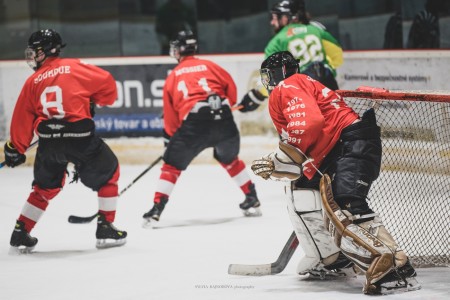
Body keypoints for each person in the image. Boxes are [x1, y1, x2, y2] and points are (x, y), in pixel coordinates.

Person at [250, 51, 420, 295]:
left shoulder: (287, 84)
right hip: (341, 147)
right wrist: (280, 163)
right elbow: (300, 156)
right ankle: (332, 257)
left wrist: (284, 158)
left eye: (268, 75)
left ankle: (394, 266)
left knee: (346, 203)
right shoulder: (303, 83)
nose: (268, 81)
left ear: (279, 73)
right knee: (303, 190)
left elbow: (309, 124)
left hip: (349, 144)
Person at [4, 29, 127, 253]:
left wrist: (16, 147)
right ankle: (106, 227)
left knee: (44, 188)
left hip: (49, 143)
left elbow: (22, 117)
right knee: (109, 173)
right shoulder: (75, 66)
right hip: (80, 139)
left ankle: (21, 231)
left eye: (36, 51)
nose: (32, 56)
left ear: (50, 50)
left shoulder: (32, 81)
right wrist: (97, 98)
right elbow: (108, 84)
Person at [142, 30, 261, 227]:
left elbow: (171, 120)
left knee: (171, 165)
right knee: (229, 159)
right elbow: (230, 88)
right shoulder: (210, 65)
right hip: (224, 120)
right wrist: (227, 104)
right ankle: (252, 197)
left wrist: (171, 141)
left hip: (195, 124)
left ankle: (156, 209)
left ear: (178, 50)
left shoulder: (173, 77)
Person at [265, 0, 342, 91]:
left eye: (275, 18)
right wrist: (325, 67)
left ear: (285, 18)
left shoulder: (276, 42)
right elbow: (338, 57)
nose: (272, 22)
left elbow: (273, 79)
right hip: (328, 85)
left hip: (302, 92)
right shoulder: (316, 29)